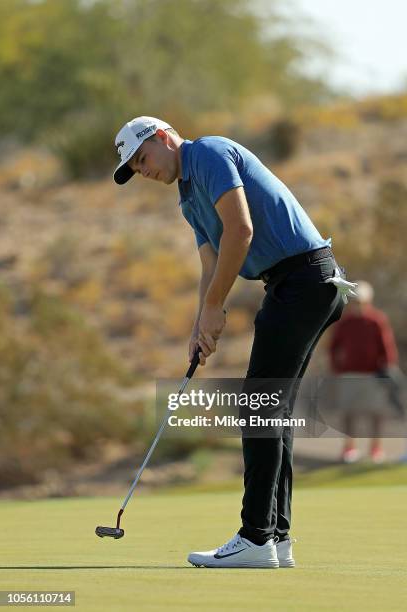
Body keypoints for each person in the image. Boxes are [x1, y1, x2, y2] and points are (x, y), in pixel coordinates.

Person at [113, 116, 357, 568]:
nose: (141, 171)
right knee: (271, 409)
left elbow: (240, 231)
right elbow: (211, 265)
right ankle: (276, 539)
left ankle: (256, 536)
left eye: (142, 159)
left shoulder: (207, 153)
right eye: (133, 168)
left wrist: (216, 305)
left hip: (305, 278)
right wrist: (200, 324)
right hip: (295, 285)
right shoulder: (187, 199)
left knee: (258, 406)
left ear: (164, 138)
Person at [328, 280, 401, 463]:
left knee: (376, 413)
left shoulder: (377, 320)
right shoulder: (345, 323)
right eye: (355, 301)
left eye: (361, 301)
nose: (358, 305)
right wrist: (337, 370)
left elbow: (387, 348)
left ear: (368, 301)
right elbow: (333, 348)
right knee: (349, 413)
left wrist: (387, 368)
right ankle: (349, 449)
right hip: (349, 374)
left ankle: (376, 449)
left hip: (373, 375)